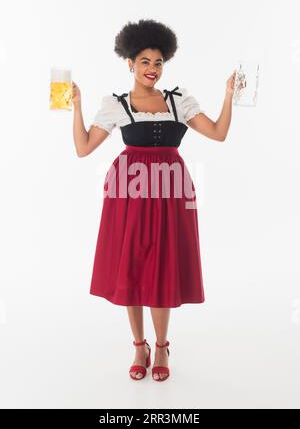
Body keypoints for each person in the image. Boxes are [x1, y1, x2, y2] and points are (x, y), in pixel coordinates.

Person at [72, 19, 236, 382]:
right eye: (144, 61)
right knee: (130, 264)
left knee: (163, 264)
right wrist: (77, 105)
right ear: (129, 63)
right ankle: (138, 344)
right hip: (128, 189)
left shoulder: (179, 101)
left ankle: (161, 346)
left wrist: (228, 95)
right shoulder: (117, 105)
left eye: (158, 62)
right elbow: (83, 148)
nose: (152, 69)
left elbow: (219, 134)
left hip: (172, 188)